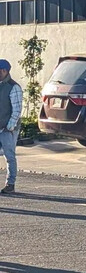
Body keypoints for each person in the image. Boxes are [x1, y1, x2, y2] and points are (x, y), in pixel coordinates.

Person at [0, 59, 22, 194]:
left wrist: (10, 127)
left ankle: (10, 184)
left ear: (4, 71)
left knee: (9, 156)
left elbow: (17, 110)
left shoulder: (14, 87)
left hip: (8, 128)